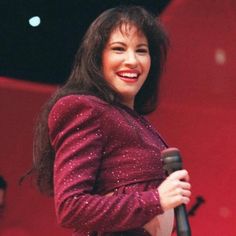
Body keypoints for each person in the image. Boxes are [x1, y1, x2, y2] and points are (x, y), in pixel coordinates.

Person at [31, 5, 191, 236]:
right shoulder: (84, 108)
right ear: (97, 57)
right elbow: (71, 207)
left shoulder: (134, 120)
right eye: (118, 49)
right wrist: (156, 199)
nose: (132, 61)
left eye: (141, 50)